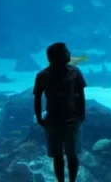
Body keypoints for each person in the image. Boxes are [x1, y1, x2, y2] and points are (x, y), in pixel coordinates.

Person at [34, 42, 87, 182]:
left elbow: (80, 95)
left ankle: (72, 181)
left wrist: (81, 115)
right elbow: (37, 98)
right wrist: (40, 118)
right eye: (66, 51)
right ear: (56, 56)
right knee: (57, 155)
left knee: (72, 154)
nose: (69, 53)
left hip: (72, 119)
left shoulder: (75, 71)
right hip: (52, 120)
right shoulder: (42, 75)